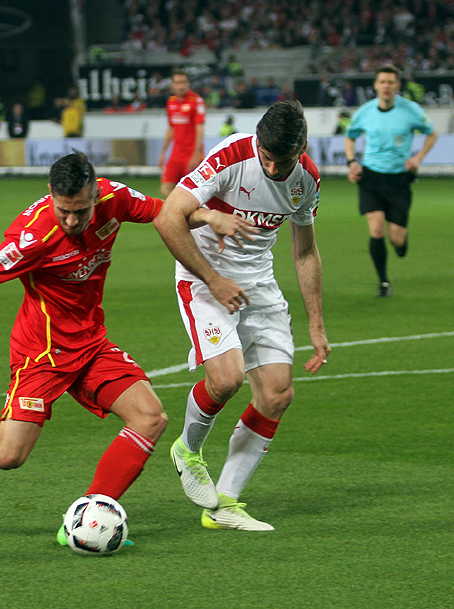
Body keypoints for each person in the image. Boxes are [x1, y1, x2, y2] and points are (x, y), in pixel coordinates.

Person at [0, 152, 228, 544]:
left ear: (95, 193)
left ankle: (86, 517)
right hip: (42, 353)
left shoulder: (114, 198)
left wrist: (209, 215)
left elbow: (167, 211)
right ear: (50, 193)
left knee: (150, 417)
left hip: (91, 343)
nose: (71, 221)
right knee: (7, 455)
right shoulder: (32, 237)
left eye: (80, 211)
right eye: (63, 210)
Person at [153, 100, 330, 531]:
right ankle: (187, 450)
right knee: (226, 379)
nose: (271, 168)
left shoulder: (306, 179)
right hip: (203, 278)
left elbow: (305, 252)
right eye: (266, 157)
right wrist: (213, 275)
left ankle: (225, 505)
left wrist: (317, 324)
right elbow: (168, 216)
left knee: (277, 394)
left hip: (259, 284)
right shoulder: (232, 154)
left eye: (281, 161)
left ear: (302, 148)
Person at [345, 65, 437, 297]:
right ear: (376, 85)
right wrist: (351, 162)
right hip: (371, 178)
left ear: (397, 86)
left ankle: (401, 243)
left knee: (396, 239)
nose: (386, 86)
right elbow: (350, 136)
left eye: (391, 82)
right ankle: (384, 282)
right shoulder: (365, 112)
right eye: (382, 82)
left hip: (399, 180)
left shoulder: (410, 110)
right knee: (376, 229)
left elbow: (432, 133)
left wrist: (418, 157)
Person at [158, 69, 206, 197]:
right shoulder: (171, 102)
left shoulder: (196, 101)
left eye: (183, 82)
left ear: (188, 83)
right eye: (178, 83)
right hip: (175, 155)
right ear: (172, 85)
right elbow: (171, 128)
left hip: (191, 154)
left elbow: (200, 129)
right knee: (165, 189)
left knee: (193, 193)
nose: (181, 86)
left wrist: (196, 155)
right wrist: (163, 153)